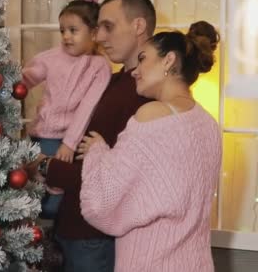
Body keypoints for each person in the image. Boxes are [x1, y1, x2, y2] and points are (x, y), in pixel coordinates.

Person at [77, 22, 223, 271]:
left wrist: (97, 151)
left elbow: (101, 204)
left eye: (143, 59)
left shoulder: (151, 115)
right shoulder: (208, 123)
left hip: (150, 262)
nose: (134, 70)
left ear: (168, 61)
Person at [27, 0, 156, 272]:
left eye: (108, 27)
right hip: (72, 222)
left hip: (94, 233)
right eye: (97, 29)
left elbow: (121, 174)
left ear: (138, 26)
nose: (98, 37)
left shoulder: (144, 94)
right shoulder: (115, 79)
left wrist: (48, 166)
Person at [22, 0, 111, 219]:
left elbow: (88, 108)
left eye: (73, 30)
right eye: (62, 31)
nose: (66, 37)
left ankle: (53, 237)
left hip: (64, 140)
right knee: (29, 194)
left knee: (53, 202)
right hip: (39, 135)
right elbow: (27, 78)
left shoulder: (99, 66)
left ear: (93, 33)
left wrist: (70, 144)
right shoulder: (52, 57)